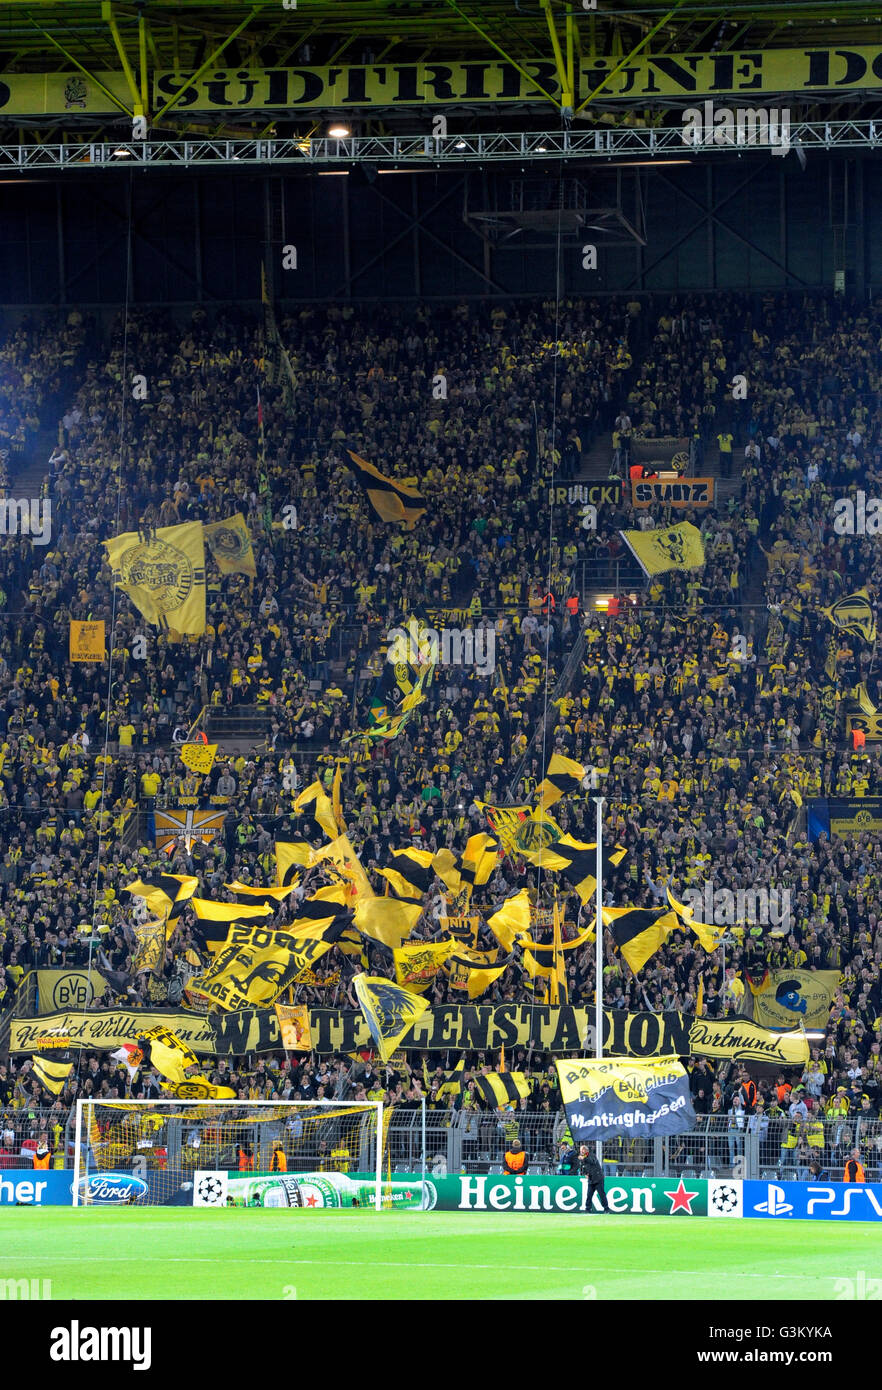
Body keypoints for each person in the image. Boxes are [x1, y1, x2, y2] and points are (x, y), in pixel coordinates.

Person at [577, 1142, 609, 1212]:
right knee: (589, 1195)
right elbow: (583, 1167)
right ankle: (587, 1209)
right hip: (591, 1179)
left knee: (601, 1194)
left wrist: (583, 1158)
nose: (581, 1152)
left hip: (598, 1179)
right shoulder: (583, 1158)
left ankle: (606, 1209)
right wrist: (585, 1173)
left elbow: (592, 1161)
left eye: (582, 1150)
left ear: (585, 1150)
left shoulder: (591, 1155)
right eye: (580, 1151)